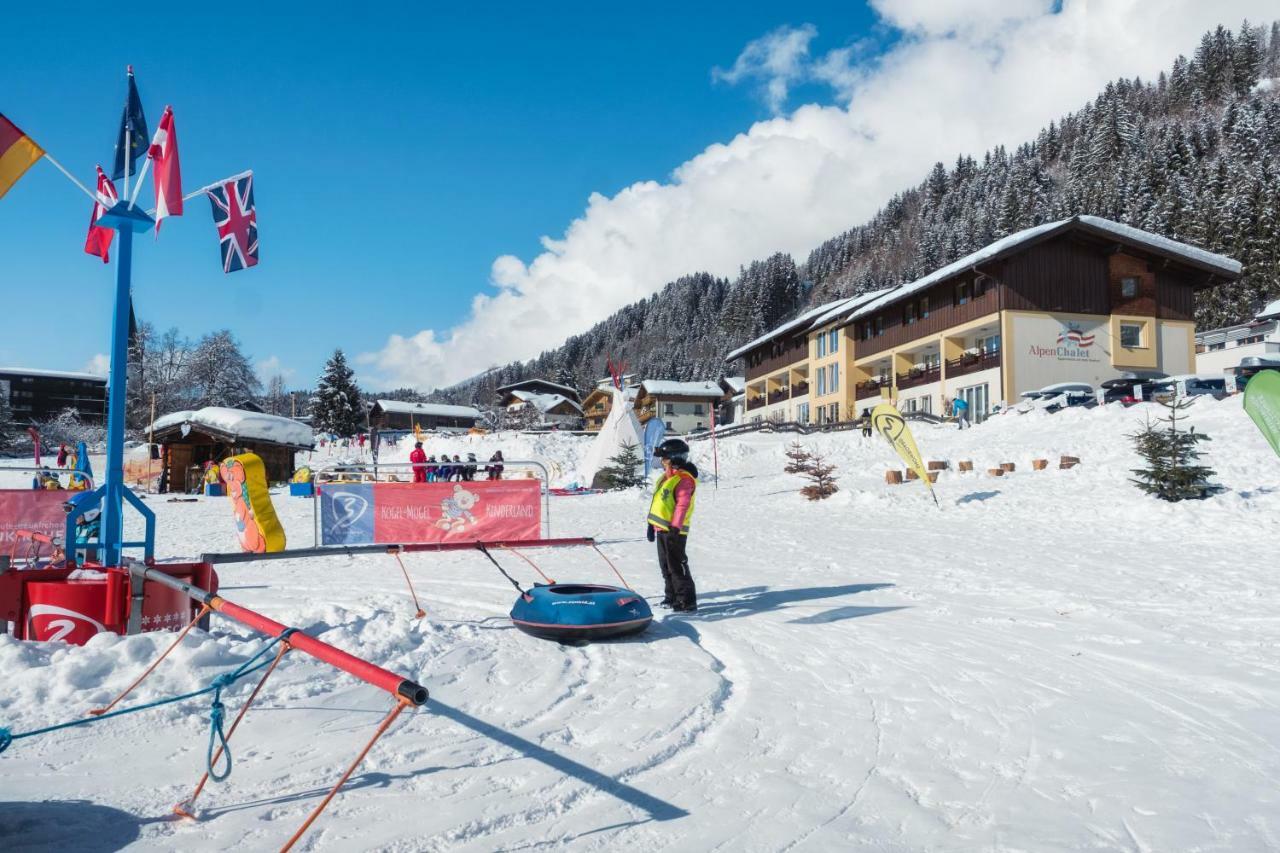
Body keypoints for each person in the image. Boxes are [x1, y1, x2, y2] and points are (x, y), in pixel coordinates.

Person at [645, 438, 698, 612]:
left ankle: (686, 601)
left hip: (675, 531)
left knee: (677, 567)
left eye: (665, 458)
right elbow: (660, 503)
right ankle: (672, 597)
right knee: (665, 566)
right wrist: (651, 525)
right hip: (662, 530)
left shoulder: (684, 479)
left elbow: (682, 505)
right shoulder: (666, 478)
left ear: (674, 458)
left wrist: (675, 528)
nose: (662, 461)